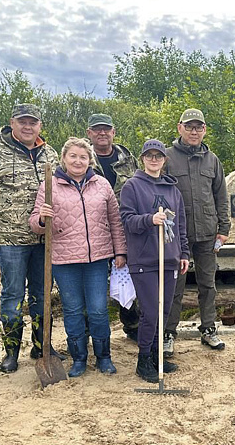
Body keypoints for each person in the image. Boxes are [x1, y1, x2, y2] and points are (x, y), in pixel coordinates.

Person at [0, 103, 64, 373]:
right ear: (12, 123)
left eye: (33, 122)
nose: (28, 127)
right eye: (23, 122)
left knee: (42, 294)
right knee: (13, 295)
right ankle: (11, 352)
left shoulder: (50, 154)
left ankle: (42, 346)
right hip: (11, 241)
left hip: (44, 240)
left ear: (40, 125)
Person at [29, 137, 127, 377]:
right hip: (64, 260)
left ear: (90, 160)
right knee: (73, 310)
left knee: (98, 310)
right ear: (64, 158)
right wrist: (41, 218)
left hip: (97, 259)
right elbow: (35, 224)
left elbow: (115, 221)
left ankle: (104, 357)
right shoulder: (49, 186)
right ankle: (79, 359)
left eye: (83, 157)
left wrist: (120, 251)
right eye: (73, 156)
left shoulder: (101, 184)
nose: (78, 161)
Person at [119, 139, 189, 383]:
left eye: (158, 156)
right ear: (142, 159)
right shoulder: (132, 186)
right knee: (150, 312)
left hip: (169, 259)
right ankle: (144, 359)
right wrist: (149, 219)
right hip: (144, 260)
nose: (153, 159)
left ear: (164, 160)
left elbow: (180, 225)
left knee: (164, 311)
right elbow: (127, 220)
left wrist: (184, 253)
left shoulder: (173, 190)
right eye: (149, 155)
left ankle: (158, 355)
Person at [163, 109, 231, 356]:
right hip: (176, 236)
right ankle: (168, 332)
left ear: (204, 130)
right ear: (179, 127)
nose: (194, 131)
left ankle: (209, 329)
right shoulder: (167, 158)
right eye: (189, 127)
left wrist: (223, 229)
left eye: (198, 127)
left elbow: (221, 196)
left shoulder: (212, 160)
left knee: (208, 284)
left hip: (207, 233)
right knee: (174, 286)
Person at [86, 113, 141, 343]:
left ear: (113, 132)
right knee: (93, 283)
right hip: (92, 231)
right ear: (89, 133)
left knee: (128, 278)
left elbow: (140, 189)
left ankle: (133, 325)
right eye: (97, 129)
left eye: (106, 129)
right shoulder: (81, 158)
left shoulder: (128, 159)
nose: (102, 133)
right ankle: (88, 331)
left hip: (126, 229)